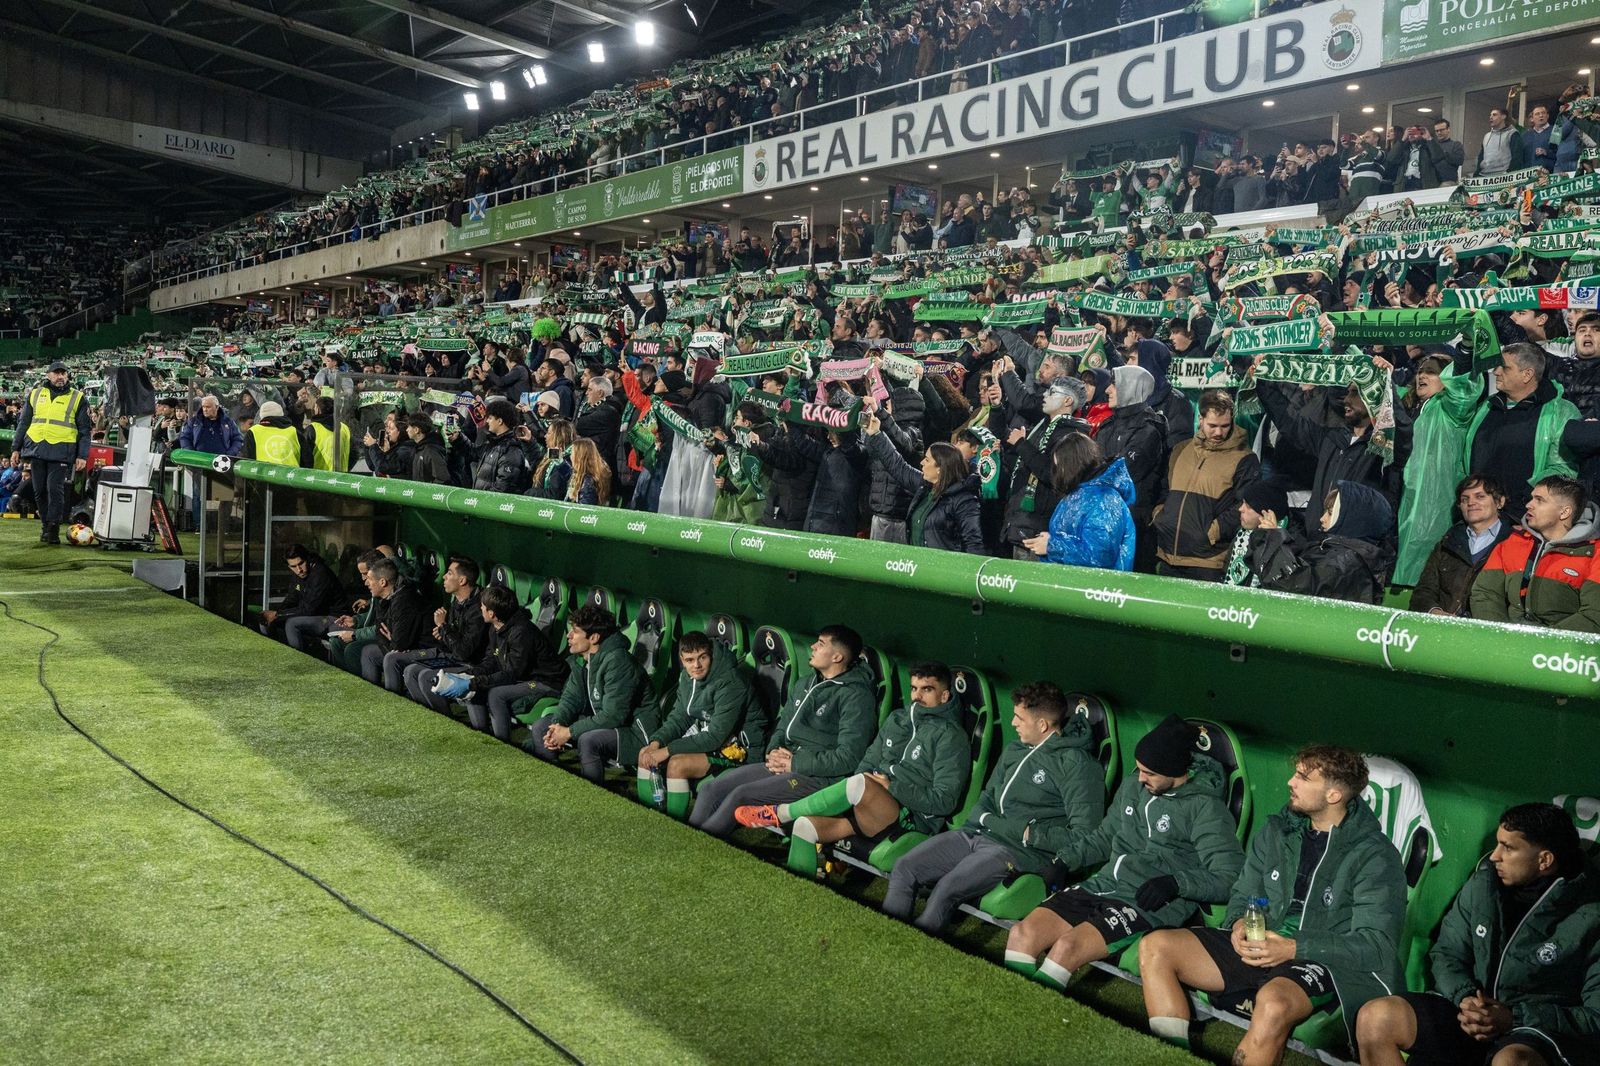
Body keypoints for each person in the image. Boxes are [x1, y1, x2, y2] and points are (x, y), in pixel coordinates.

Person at [1139, 745, 1405, 1062]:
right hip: (1263, 943)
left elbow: (1376, 946)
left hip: (1322, 960)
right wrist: (1238, 924)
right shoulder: (1278, 830)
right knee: (1157, 947)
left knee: (1274, 1003)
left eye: (1303, 777)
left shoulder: (1374, 855)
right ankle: (1171, 1057)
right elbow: (1247, 893)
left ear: (1333, 795)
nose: (1291, 782)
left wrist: (1293, 948)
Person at [1004, 716, 1244, 992]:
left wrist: (1175, 883)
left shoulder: (1205, 809)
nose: (1140, 778)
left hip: (1146, 903)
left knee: (1066, 948)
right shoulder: (1133, 787)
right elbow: (1105, 837)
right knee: (1022, 933)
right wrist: (1064, 860)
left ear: (1176, 771)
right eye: (1139, 769)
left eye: (1150, 773)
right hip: (1104, 884)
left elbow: (1230, 876)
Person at [1355, 802, 1598, 1066]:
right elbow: (1447, 951)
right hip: (1467, 1014)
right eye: (1497, 844)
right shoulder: (1484, 884)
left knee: (1513, 1061)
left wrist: (1512, 1017)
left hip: (1533, 1032)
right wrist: (1467, 999)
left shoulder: (1590, 913)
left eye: (1508, 847)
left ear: (1544, 860)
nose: (1494, 856)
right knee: (1376, 1017)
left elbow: (1595, 1016)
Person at [883, 682, 1106, 933]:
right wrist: (975, 826)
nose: (1013, 723)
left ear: (1042, 725)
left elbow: (1085, 836)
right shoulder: (1015, 750)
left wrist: (1025, 833)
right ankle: (889, 938)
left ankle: (913, 949)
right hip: (976, 834)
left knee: (947, 888)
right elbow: (988, 796)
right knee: (905, 867)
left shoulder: (1077, 766)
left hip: (1017, 851)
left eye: (1019, 718)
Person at [734, 661, 971, 879]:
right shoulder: (898, 720)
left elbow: (944, 801)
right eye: (914, 688)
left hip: (909, 817)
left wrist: (891, 787)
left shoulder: (951, 737)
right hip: (870, 807)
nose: (917, 696)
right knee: (805, 825)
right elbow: (867, 762)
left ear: (944, 695)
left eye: (927, 689)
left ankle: (781, 812)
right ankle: (798, 889)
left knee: (860, 783)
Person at [688, 626, 877, 838]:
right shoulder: (806, 683)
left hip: (817, 777)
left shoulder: (857, 696)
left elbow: (849, 758)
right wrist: (774, 751)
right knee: (711, 790)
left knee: (741, 795)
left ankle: (697, 846)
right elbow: (782, 726)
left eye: (821, 644)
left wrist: (795, 763)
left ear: (837, 656)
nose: (813, 647)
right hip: (784, 764)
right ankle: (689, 844)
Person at [636, 631, 765, 820]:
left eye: (702, 657)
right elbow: (680, 717)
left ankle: (673, 823)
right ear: (682, 659)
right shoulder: (687, 678)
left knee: (677, 765)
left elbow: (715, 737)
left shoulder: (730, 682)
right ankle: (648, 817)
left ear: (710, 654)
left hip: (740, 750)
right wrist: (657, 742)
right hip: (715, 741)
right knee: (645, 753)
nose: (696, 665)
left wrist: (667, 750)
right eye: (689, 660)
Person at [411, 584, 568, 738]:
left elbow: (512, 674)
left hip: (548, 682)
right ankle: (481, 734)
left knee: (495, 694)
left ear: (492, 613)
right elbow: (491, 661)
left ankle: (502, 743)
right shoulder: (496, 628)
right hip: (523, 676)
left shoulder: (521, 632)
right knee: (475, 686)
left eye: (483, 606)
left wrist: (473, 683)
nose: (480, 609)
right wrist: (468, 675)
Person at [525, 603, 652, 783]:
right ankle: (552, 785)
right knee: (541, 727)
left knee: (588, 740)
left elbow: (614, 716)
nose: (569, 636)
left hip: (634, 730)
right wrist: (557, 725)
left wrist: (569, 732)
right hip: (604, 720)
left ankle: (593, 794)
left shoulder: (618, 661)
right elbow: (570, 698)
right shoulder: (581, 659)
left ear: (593, 637)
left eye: (575, 632)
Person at [1153, 391, 1260, 581]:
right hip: (1167, 555)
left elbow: (1245, 505)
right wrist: (1160, 516)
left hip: (1208, 562)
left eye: (1225, 426)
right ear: (1200, 419)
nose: (1218, 432)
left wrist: (1212, 532)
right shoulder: (1180, 450)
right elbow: (1164, 489)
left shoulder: (1245, 459)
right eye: (1213, 425)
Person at [1470, 475, 1600, 630]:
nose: (1528, 505)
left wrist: (1542, 644)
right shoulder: (1513, 542)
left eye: (1539, 500)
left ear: (1564, 512)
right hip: (1508, 642)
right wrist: (1501, 637)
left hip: (1561, 650)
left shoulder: (1594, 552)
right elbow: (1485, 593)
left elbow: (1594, 614)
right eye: (1531, 498)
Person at [1466, 344, 1578, 521]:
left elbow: (1563, 468)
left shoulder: (1561, 411)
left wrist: (1524, 501)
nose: (1496, 372)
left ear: (1527, 374)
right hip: (1476, 518)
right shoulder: (1486, 407)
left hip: (1523, 519)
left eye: (1504, 367)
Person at [861, 404, 984, 553]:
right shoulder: (925, 486)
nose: (922, 463)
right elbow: (898, 466)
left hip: (942, 572)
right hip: (917, 567)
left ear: (940, 468)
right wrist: (876, 434)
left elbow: (973, 544)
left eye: (927, 460)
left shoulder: (964, 500)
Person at [1248, 481, 1395, 604]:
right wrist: (1274, 537)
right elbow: (1306, 567)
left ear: (1353, 520)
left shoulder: (1349, 562)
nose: (1322, 518)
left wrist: (1272, 538)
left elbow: (1292, 586)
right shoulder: (1339, 551)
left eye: (1330, 513)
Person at [999, 378, 1092, 560]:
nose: (1045, 395)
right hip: (1021, 520)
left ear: (1068, 401)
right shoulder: (1042, 427)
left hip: (1038, 527)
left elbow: (1052, 474)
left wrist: (1022, 444)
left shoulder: (1072, 436)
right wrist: (996, 408)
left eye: (1052, 392)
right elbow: (1023, 463)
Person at [1021, 432, 1136, 571]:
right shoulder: (1076, 494)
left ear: (1073, 464)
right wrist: (1050, 540)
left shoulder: (1105, 499)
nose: (1058, 473)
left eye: (1061, 466)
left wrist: (1052, 546)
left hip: (1095, 590)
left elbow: (1100, 555)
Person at [9, 361, 91, 544]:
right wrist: (15, 448)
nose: (60, 376)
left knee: (54, 489)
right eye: (56, 373)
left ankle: (53, 528)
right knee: (39, 491)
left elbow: (85, 430)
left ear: (67, 376)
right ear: (48, 375)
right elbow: (24, 423)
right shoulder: (36, 394)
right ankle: (46, 525)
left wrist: (82, 455)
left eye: (63, 373)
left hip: (62, 450)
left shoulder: (78, 398)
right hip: (37, 448)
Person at [1095, 364, 1168, 568]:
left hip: (1131, 524)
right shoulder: (1108, 425)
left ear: (1131, 387)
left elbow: (1122, 472)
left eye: (1115, 384)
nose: (1107, 390)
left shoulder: (1149, 430)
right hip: (1101, 515)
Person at [384, 556, 489, 694]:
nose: (444, 576)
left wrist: (443, 628)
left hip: (466, 662)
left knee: (417, 673)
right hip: (444, 652)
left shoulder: (478, 609)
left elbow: (463, 652)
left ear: (462, 580)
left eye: (450, 573)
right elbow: (451, 637)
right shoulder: (457, 601)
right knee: (393, 658)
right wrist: (441, 633)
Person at [1410, 475, 1512, 617]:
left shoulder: (1516, 543)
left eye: (1480, 497)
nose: (1471, 503)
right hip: (1443, 629)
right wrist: (1435, 612)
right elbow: (1423, 591)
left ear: (1500, 502)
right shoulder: (1447, 542)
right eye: (1465, 499)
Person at [357, 557, 429, 684]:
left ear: (383, 582)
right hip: (399, 647)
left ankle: (393, 697)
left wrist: (392, 639)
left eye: (369, 579)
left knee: (391, 658)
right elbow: (381, 631)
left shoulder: (405, 600)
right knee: (369, 652)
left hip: (423, 650)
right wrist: (391, 639)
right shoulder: (386, 599)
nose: (366, 583)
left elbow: (399, 645)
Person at [260, 544, 344, 643]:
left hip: (334, 618)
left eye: (301, 563)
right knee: (265, 620)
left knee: (292, 623)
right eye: (293, 566)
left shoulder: (320, 574)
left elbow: (309, 609)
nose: (299, 570)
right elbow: (292, 598)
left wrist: (278, 615)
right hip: (315, 615)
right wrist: (275, 614)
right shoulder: (299, 574)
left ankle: (295, 657)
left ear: (307, 559)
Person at [240, 400, 312, 467]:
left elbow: (247, 461)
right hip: (291, 478)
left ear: (261, 416)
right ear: (281, 415)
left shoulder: (253, 432)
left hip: (263, 478)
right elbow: (307, 460)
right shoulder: (294, 432)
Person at [177, 393, 243, 457]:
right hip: (198, 462)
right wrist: (192, 454)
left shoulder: (228, 422)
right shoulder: (194, 421)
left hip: (221, 463)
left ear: (217, 407)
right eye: (203, 407)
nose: (205, 409)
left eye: (208, 407)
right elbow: (184, 438)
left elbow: (237, 439)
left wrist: (230, 454)